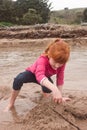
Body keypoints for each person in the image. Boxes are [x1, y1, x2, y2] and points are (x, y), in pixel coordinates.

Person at [5, 38, 71, 111]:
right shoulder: (42, 59)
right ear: (49, 55)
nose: (57, 66)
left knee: (48, 91)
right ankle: (11, 103)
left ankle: (45, 96)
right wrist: (55, 89)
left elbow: (60, 78)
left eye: (60, 64)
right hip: (32, 74)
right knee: (18, 79)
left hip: (45, 78)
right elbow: (39, 76)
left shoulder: (61, 63)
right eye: (55, 62)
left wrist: (60, 95)